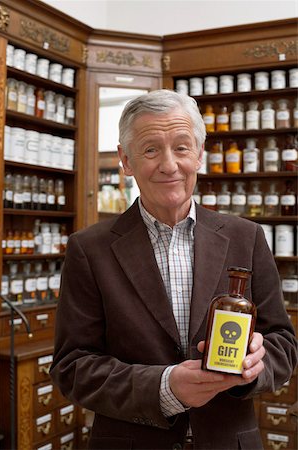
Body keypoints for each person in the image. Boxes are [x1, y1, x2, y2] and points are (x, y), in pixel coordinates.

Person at [50, 89, 297, 450]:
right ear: (126, 160)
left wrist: (254, 367)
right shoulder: (89, 249)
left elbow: (283, 344)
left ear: (198, 154)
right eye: (151, 149)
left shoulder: (247, 237)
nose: (169, 164)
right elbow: (72, 367)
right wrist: (165, 386)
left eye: (182, 147)